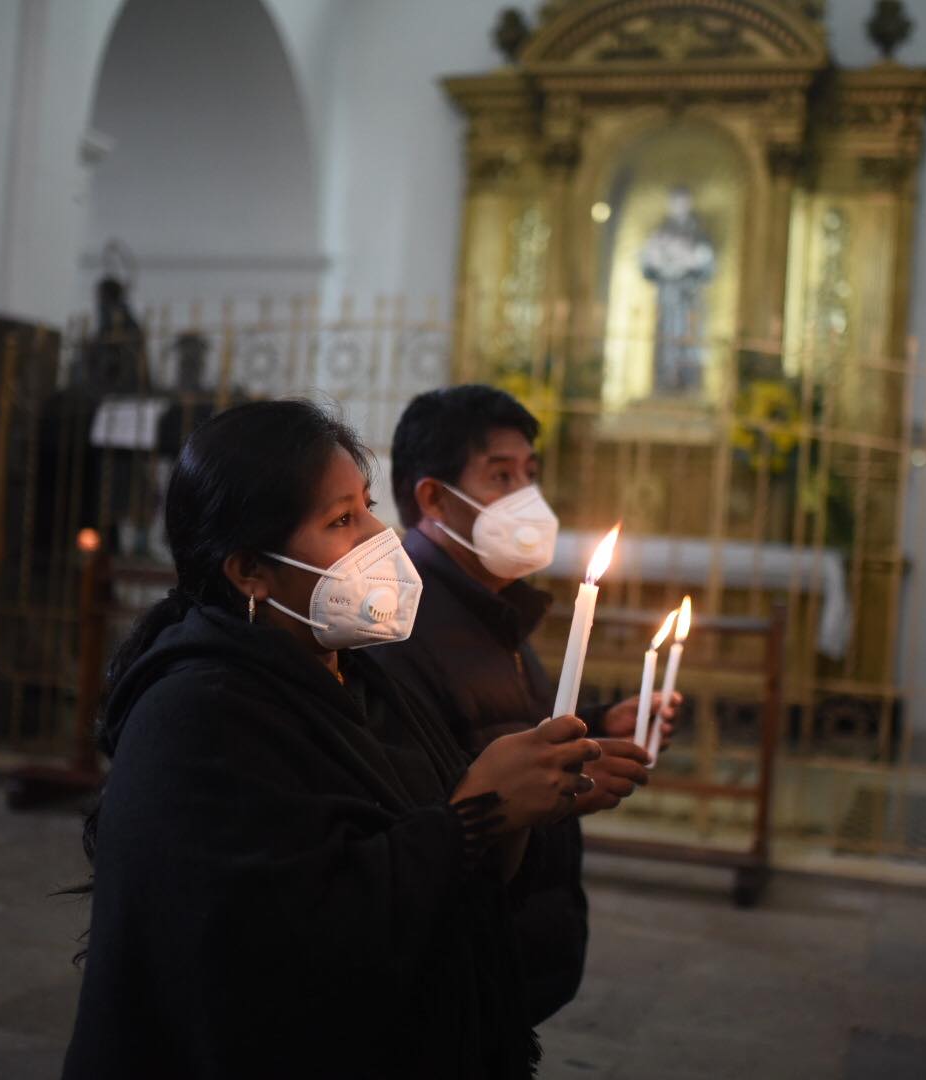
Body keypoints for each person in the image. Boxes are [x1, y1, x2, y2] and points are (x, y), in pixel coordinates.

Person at [63, 399, 602, 1078]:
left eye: (370, 507)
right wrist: (480, 810)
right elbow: (288, 946)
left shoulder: (365, 674)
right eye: (342, 520)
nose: (382, 536)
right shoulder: (197, 717)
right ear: (249, 569)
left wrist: (516, 804)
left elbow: (457, 856)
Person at [372, 385, 681, 1026]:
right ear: (432, 498)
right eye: (501, 476)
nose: (526, 497)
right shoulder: (402, 617)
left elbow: (498, 722)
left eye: (530, 475)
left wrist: (594, 726)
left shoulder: (489, 601)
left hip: (516, 940)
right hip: (461, 952)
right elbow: (429, 786)